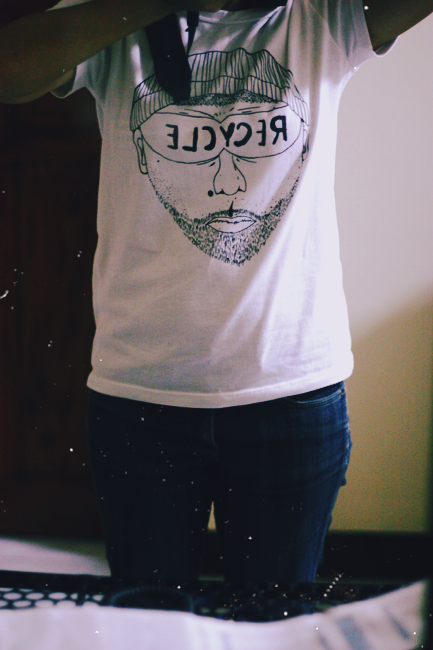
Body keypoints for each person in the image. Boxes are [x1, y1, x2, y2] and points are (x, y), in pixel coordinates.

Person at [0, 0, 431, 584]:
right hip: (141, 393)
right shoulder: (119, 24)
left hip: (291, 390)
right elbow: (11, 70)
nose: (228, 182)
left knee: (274, 618)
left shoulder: (319, 20)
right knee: (149, 617)